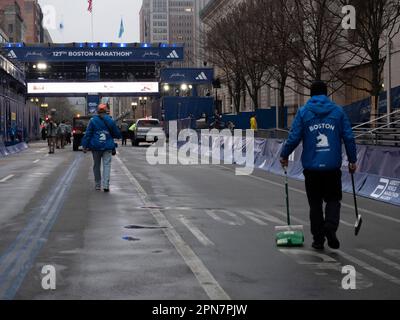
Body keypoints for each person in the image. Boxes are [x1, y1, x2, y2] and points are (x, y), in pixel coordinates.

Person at [280, 81, 357, 250]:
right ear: (326, 93)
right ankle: (330, 226)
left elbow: (294, 137)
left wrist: (284, 155)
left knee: (315, 204)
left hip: (312, 168)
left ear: (311, 94)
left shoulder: (303, 112)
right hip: (332, 167)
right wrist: (352, 160)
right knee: (333, 199)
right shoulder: (337, 111)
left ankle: (318, 239)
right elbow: (349, 137)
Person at [82, 104, 121, 192]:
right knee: (107, 165)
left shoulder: (93, 121)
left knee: (96, 165)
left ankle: (97, 185)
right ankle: (106, 185)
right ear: (106, 111)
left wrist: (85, 145)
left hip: (96, 146)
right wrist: (118, 136)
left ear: (97, 111)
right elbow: (116, 133)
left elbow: (88, 134)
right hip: (107, 146)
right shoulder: (110, 120)